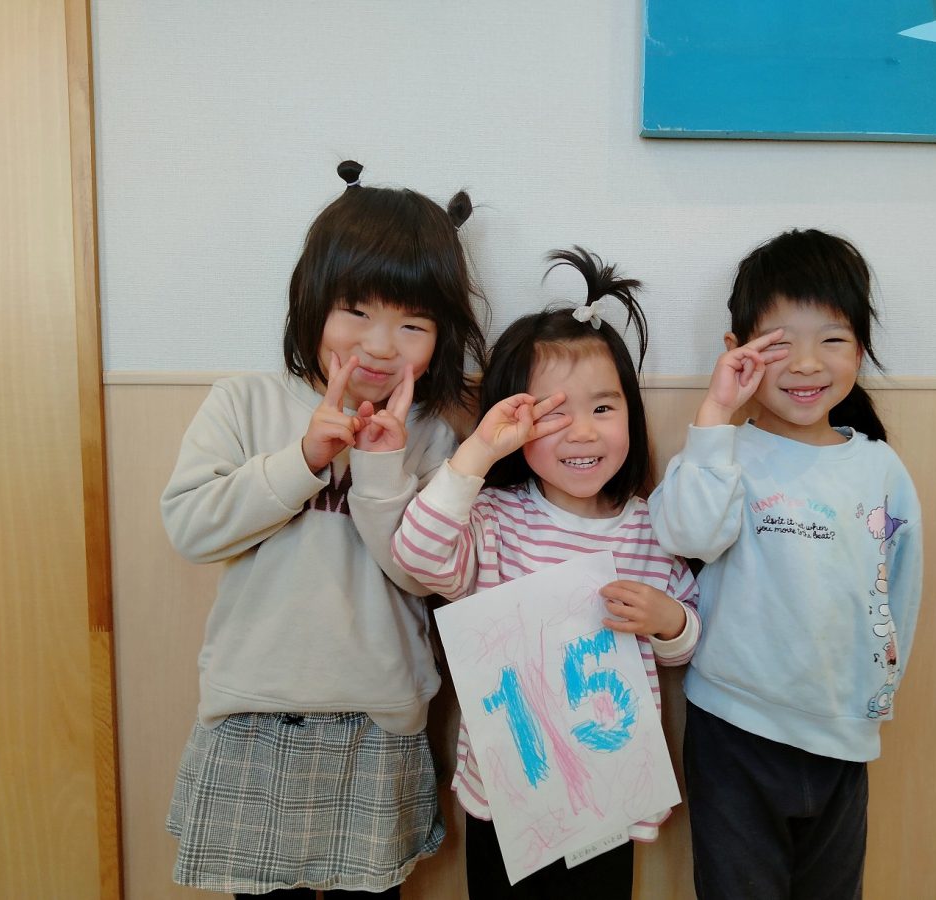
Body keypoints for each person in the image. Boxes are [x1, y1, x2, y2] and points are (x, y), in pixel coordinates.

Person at [160, 160, 487, 898]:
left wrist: (380, 469)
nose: (381, 345)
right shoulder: (244, 403)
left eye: (412, 324)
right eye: (357, 311)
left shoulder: (435, 434)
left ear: (441, 337)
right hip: (253, 711)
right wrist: (304, 460)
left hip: (378, 719)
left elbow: (422, 575)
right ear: (311, 301)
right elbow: (191, 529)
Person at [380, 247, 700, 900]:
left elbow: (688, 640)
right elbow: (416, 555)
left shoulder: (650, 526)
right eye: (554, 413)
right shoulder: (494, 518)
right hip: (507, 795)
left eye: (604, 408)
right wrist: (478, 451)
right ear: (516, 421)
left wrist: (670, 622)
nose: (583, 432)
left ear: (632, 415)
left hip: (606, 799)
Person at [648, 228, 924, 900]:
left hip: (841, 734)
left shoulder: (880, 468)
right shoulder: (724, 452)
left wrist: (876, 695)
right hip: (733, 729)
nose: (806, 363)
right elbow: (684, 533)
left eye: (832, 339)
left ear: (859, 349)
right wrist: (716, 413)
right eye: (780, 343)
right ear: (737, 351)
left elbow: (900, 590)